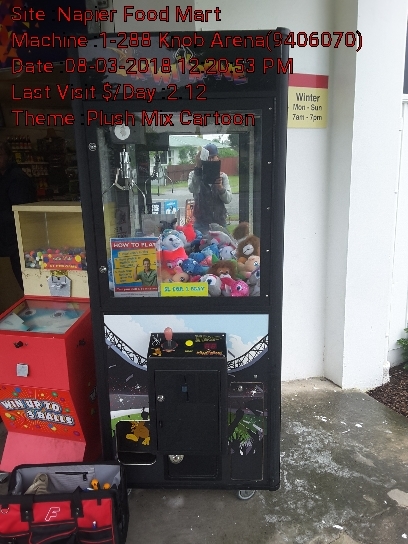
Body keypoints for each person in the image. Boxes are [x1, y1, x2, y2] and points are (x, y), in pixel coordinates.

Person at [0, 142, 36, 290]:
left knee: (23, 284)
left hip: (17, 242)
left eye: (0, 155)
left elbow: (21, 212)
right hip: (8, 242)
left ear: (9, 156)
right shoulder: (4, 176)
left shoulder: (17, 178)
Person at [187, 143, 232, 233]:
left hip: (219, 221)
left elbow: (228, 199)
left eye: (212, 157)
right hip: (201, 222)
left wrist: (220, 188)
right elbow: (193, 189)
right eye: (207, 158)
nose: (210, 160)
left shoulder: (223, 176)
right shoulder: (194, 174)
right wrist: (198, 169)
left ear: (217, 158)